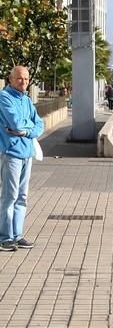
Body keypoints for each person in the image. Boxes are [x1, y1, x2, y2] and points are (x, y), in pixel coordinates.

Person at [0, 66, 44, 251]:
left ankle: (17, 235)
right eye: (19, 78)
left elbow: (40, 124)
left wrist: (25, 131)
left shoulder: (26, 100)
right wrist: (26, 127)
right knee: (9, 197)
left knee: (22, 197)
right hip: (11, 154)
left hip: (27, 154)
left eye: (26, 79)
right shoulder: (4, 98)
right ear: (11, 79)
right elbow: (15, 122)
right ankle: (4, 237)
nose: (23, 82)